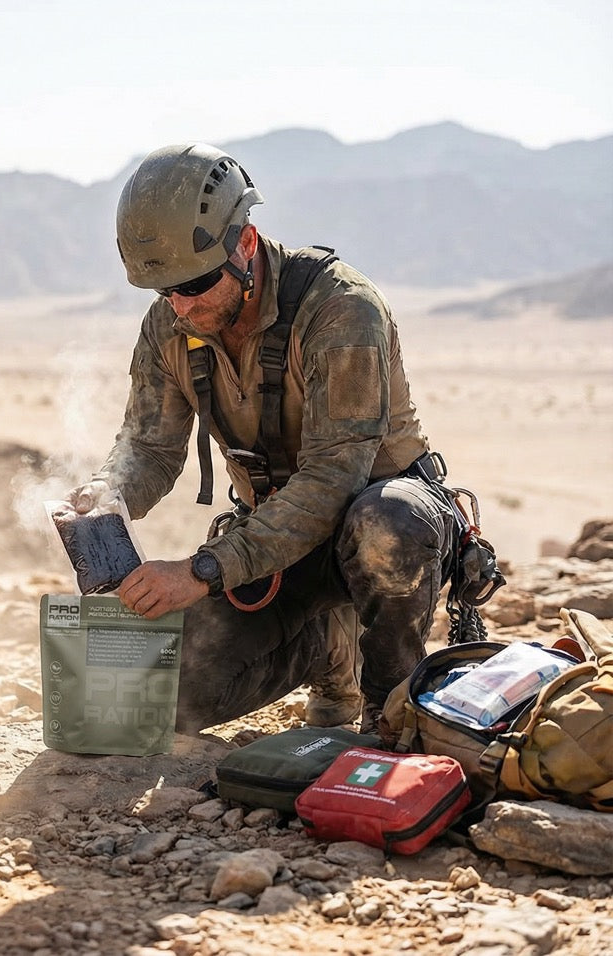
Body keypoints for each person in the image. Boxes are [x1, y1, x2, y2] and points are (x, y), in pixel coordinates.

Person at [67, 142, 464, 734]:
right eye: (163, 291)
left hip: (375, 526)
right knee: (163, 697)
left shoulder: (341, 309)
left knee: (385, 522)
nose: (180, 305)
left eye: (196, 282)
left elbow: (334, 479)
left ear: (245, 244)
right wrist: (109, 492)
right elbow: (149, 449)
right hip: (275, 544)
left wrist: (202, 571)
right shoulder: (170, 326)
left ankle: (390, 706)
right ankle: (333, 652)